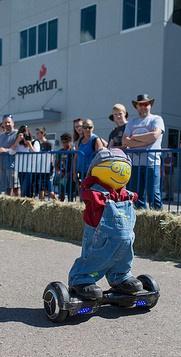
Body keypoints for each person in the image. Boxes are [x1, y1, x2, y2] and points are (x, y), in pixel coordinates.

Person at [68, 148, 142, 300]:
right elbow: (87, 193)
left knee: (124, 256)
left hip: (124, 240)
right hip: (99, 236)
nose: (120, 172)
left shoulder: (124, 193)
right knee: (95, 257)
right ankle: (81, 278)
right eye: (116, 168)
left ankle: (120, 276)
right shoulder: (94, 189)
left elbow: (133, 196)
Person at [123, 94, 165, 210]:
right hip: (135, 163)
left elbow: (154, 135)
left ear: (150, 105)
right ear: (136, 106)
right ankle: (140, 219)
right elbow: (125, 141)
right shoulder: (132, 122)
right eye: (140, 104)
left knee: (153, 193)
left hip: (152, 163)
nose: (143, 107)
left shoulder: (156, 119)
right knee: (136, 194)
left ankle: (157, 218)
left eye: (145, 104)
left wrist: (134, 138)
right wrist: (145, 143)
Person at [73, 118, 106, 190]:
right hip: (80, 171)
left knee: (90, 193)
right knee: (81, 192)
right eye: (85, 127)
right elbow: (75, 158)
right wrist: (74, 172)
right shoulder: (80, 140)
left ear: (93, 127)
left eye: (89, 127)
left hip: (92, 173)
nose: (87, 129)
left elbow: (100, 159)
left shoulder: (96, 140)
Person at [0, 115, 19, 196]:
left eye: (9, 122)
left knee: (16, 188)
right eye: (5, 122)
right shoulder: (2, 136)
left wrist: (5, 150)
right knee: (7, 188)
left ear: (13, 123)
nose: (7, 124)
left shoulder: (17, 134)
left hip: (13, 165)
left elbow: (17, 148)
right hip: (2, 165)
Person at [10, 125, 39, 198]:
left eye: (26, 134)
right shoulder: (19, 144)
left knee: (26, 188)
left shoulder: (34, 142)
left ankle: (26, 200)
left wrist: (29, 144)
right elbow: (11, 152)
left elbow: (37, 153)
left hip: (30, 169)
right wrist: (17, 140)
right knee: (23, 187)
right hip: (21, 169)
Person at [35, 127, 56, 200]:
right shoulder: (37, 144)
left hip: (48, 168)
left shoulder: (48, 144)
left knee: (49, 190)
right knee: (41, 188)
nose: (36, 135)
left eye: (38, 133)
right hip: (40, 169)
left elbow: (51, 156)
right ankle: (41, 201)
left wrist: (51, 168)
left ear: (43, 133)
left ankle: (57, 201)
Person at [55, 132, 76, 202]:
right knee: (61, 193)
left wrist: (70, 173)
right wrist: (59, 171)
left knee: (70, 193)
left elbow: (75, 163)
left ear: (70, 142)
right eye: (63, 142)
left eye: (66, 142)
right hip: (62, 174)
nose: (65, 144)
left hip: (70, 175)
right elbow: (56, 163)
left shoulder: (73, 151)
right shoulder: (59, 152)